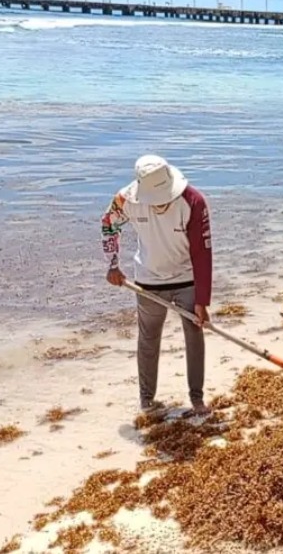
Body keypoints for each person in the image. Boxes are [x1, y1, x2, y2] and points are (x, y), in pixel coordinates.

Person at [102, 155, 213, 415]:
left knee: (194, 335)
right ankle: (147, 400)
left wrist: (202, 300)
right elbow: (108, 225)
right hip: (148, 281)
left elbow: (203, 252)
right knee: (149, 339)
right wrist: (112, 265)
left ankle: (196, 399)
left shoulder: (193, 201)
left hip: (187, 279)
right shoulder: (125, 200)